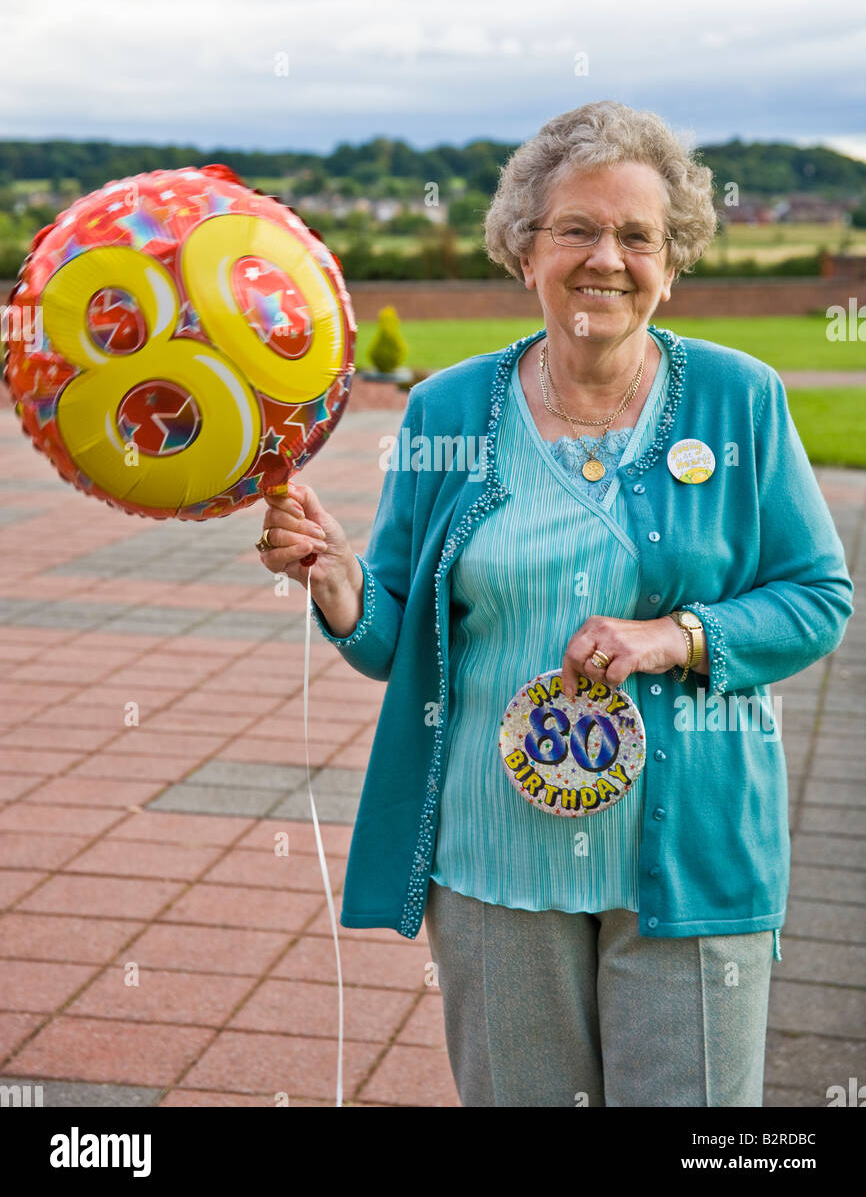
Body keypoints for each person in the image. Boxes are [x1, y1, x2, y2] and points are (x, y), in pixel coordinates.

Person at [255, 101, 853, 1107]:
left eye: (636, 234)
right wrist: (338, 581)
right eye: (575, 227)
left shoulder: (737, 397)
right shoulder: (448, 406)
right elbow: (394, 626)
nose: (605, 258)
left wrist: (679, 635)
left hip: (694, 859)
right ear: (521, 248)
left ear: (672, 260)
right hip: (491, 859)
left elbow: (816, 596)